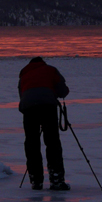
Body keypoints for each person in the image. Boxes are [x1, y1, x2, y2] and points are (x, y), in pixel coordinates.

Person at [18, 56, 70, 191]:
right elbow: (62, 91)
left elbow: (21, 93)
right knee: (52, 142)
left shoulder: (24, 73)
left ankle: (36, 180)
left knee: (31, 143)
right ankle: (57, 180)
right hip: (47, 107)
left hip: (28, 108)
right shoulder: (51, 70)